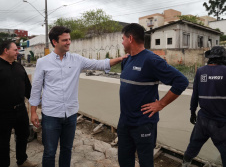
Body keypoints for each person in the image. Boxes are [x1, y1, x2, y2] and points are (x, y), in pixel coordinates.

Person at [29, 26, 127, 167]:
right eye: (65, 40)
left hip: (71, 114)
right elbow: (36, 89)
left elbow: (99, 64)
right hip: (51, 114)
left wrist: (121, 58)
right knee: (49, 151)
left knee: (67, 149)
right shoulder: (43, 62)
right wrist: (33, 112)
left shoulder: (76, 60)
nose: (69, 42)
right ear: (54, 42)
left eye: (69, 39)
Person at [117, 23, 189, 167]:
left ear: (130, 38)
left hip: (143, 123)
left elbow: (181, 81)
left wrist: (161, 104)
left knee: (145, 162)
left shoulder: (151, 60)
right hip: (125, 122)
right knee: (124, 160)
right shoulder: (126, 60)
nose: (122, 41)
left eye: (123, 38)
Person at [182, 46, 226, 167]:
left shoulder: (201, 71)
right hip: (220, 122)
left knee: (193, 145)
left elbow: (195, 94)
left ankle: (185, 164)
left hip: (202, 120)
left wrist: (192, 112)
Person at [0, 40, 38, 167]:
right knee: (3, 141)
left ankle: (22, 161)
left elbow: (28, 89)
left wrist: (36, 104)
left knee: (23, 135)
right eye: (15, 50)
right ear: (6, 50)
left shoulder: (19, 67)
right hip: (3, 112)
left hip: (20, 110)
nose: (18, 52)